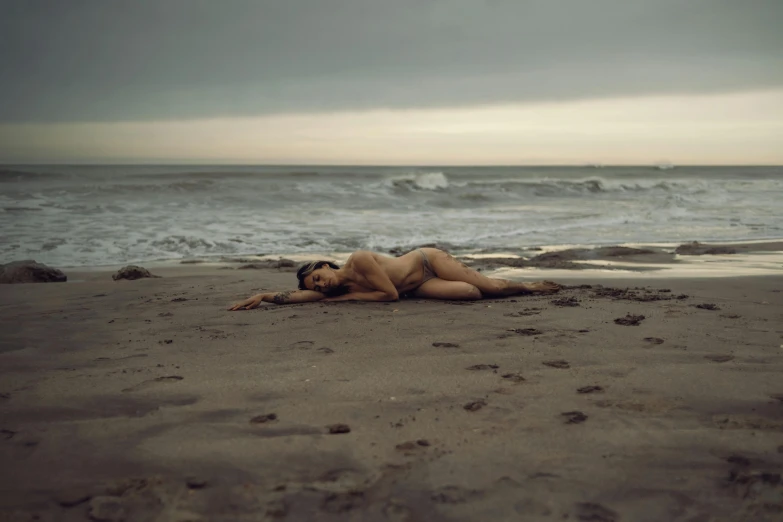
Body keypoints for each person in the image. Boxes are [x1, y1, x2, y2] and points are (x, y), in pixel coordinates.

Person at [228, 247, 561, 310]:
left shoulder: (357, 261)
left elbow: (388, 295)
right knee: (472, 294)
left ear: (325, 266)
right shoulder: (334, 290)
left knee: (492, 288)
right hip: (417, 286)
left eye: (317, 277)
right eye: (314, 286)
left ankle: (528, 286)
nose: (319, 286)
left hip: (428, 261)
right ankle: (503, 286)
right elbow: (298, 298)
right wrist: (266, 296)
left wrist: (350, 298)